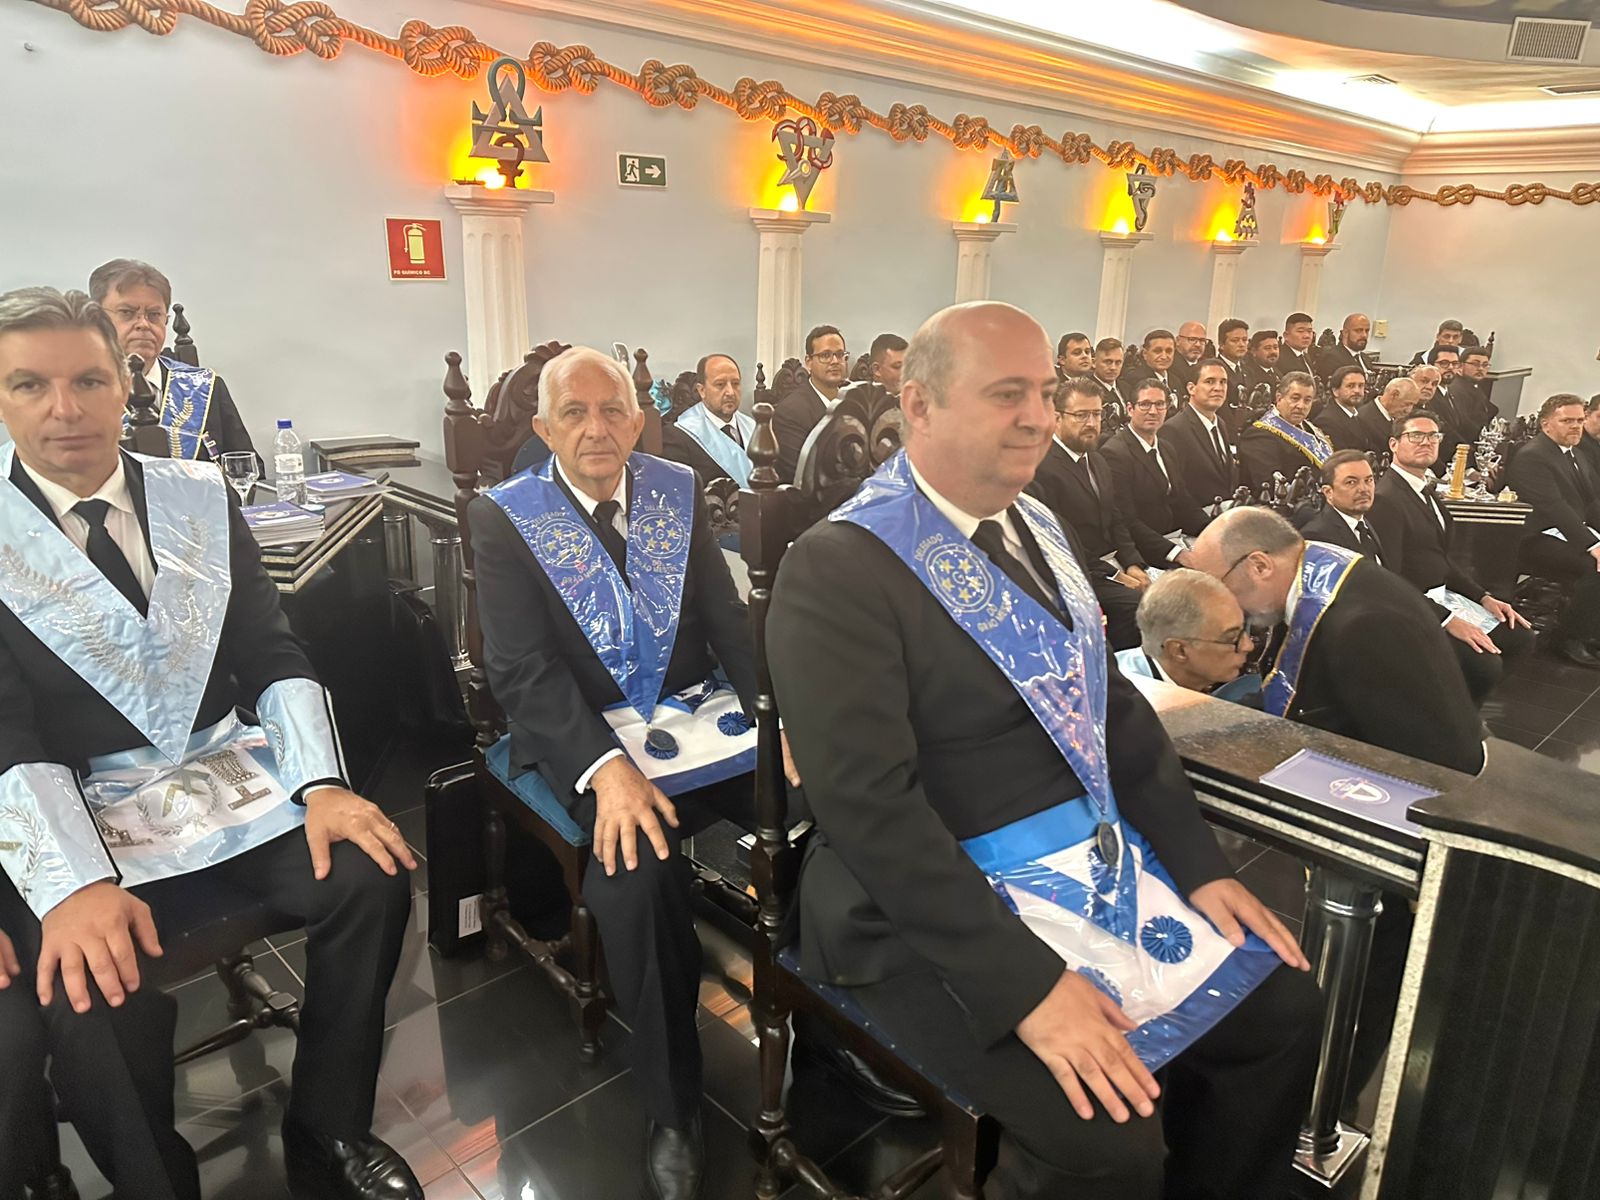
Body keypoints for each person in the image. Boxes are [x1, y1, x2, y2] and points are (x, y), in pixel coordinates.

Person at [768, 300, 1316, 1200]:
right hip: (913, 898)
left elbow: (1112, 707)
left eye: (1047, 393)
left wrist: (1199, 865)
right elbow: (868, 806)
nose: (1039, 417)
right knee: (1107, 1140)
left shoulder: (1041, 525)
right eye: (1006, 394)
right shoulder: (841, 565)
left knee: (1283, 1006)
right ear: (920, 404)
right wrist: (1024, 987)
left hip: (1082, 860)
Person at [0, 288, 418, 1200]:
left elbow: (271, 648)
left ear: (125, 385)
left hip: (225, 775)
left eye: (89, 380)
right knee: (89, 982)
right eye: (29, 384)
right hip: (83, 810)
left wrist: (323, 785)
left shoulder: (196, 494)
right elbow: (6, 728)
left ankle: (329, 1129)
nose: (64, 409)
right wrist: (72, 886)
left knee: (371, 874)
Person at [469, 346, 773, 1200]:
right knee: (639, 876)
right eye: (574, 412)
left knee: (823, 803)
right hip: (583, 732)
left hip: (697, 720)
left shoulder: (677, 489)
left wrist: (781, 722)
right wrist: (603, 769)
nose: (596, 429)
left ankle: (827, 1020)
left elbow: (728, 621)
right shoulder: (505, 516)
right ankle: (673, 1107)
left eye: (613, 411)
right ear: (544, 428)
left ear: (640, 423)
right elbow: (522, 672)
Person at [1191, 506, 1485, 1119]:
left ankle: (1326, 1101)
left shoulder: (1360, 625)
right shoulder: (1325, 570)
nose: (1223, 606)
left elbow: (1421, 758)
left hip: (1400, 835)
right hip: (1380, 790)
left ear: (1259, 564)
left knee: (1370, 976)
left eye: (1219, 584)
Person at [1369, 412, 1534, 703]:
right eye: (1416, 436)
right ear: (1394, 444)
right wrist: (1445, 619)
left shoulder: (1425, 490)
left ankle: (1459, 708)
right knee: (1485, 664)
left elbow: (1442, 559)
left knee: (1518, 634)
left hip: (1443, 594)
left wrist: (1483, 597)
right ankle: (1449, 713)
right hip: (1413, 605)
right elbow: (1390, 577)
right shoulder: (1386, 498)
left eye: (1433, 436)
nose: (1426, 442)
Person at [87, 259, 256, 462]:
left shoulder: (204, 388)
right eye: (127, 313)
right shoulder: (77, 396)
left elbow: (249, 469)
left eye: (154, 315)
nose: (143, 324)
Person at [1026, 377, 1148, 650]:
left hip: (1111, 564)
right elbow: (1058, 540)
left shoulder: (1098, 460)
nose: (1092, 423)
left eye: (1096, 414)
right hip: (1077, 570)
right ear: (1056, 417)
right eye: (1081, 415)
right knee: (1138, 605)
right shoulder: (1041, 468)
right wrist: (1114, 575)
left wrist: (1132, 563)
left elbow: (1116, 518)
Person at [1504, 394, 1600, 667]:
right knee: (1593, 567)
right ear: (1546, 424)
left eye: (1579, 420)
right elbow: (1554, 508)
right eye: (1567, 420)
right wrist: (1593, 545)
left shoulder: (1574, 452)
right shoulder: (1533, 457)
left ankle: (1593, 632)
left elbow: (1591, 502)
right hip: (1534, 537)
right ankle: (1569, 639)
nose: (1576, 426)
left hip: (1565, 530)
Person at [1100, 379, 1209, 569]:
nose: (1153, 411)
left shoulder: (1166, 448)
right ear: (1130, 409)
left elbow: (1183, 502)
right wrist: (1176, 553)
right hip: (1146, 552)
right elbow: (1127, 521)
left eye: (1159, 404)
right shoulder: (1114, 453)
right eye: (1145, 404)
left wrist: (1213, 531)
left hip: (1174, 539)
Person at [1115, 569, 1262, 705]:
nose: (1248, 646)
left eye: (1243, 630)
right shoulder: (1131, 709)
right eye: (1232, 638)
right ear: (1179, 651)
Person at [661, 353, 755, 486]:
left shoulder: (755, 427)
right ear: (702, 390)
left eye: (735, 384)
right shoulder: (678, 436)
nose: (730, 392)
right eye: (720, 384)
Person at [773, 325, 849, 483]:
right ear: (808, 362)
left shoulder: (854, 403)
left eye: (840, 354)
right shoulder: (790, 412)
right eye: (826, 355)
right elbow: (802, 473)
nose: (835, 361)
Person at [1162, 360, 1239, 509]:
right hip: (1196, 518)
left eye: (1223, 382)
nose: (1218, 388)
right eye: (1210, 381)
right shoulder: (1173, 429)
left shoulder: (1220, 424)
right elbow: (1177, 490)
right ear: (1191, 388)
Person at [1236, 373, 1330, 493]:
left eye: (1307, 400)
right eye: (1295, 398)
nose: (1301, 406)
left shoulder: (1311, 428)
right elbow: (1269, 485)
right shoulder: (1258, 435)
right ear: (1279, 398)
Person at [1300, 449, 1389, 565]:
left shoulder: (1365, 524)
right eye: (1351, 482)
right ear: (1328, 492)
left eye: (1368, 480)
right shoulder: (1317, 538)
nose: (1364, 489)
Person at [1318, 365, 1374, 452]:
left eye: (1361, 386)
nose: (1357, 390)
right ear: (1335, 391)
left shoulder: (1362, 415)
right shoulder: (1326, 421)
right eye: (1350, 386)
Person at [1316, 313, 1372, 386]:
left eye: (1367, 331)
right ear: (1345, 332)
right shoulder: (1331, 357)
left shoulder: (1366, 359)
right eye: (1358, 330)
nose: (1364, 335)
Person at [1133, 328, 1183, 409]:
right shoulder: (1136, 380)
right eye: (1157, 351)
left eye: (1169, 351)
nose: (1164, 356)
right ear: (1145, 353)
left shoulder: (1176, 380)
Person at [1214, 319, 1250, 421]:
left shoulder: (1249, 370)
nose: (1241, 344)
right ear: (1221, 344)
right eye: (1235, 340)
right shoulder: (1214, 369)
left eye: (1244, 340)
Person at [1169, 320, 1208, 396]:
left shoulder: (1207, 366)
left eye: (1202, 340)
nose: (1198, 344)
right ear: (1178, 341)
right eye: (1192, 339)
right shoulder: (1170, 365)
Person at [1241, 330, 1280, 404]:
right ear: (1254, 351)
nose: (1273, 352)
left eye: (1275, 347)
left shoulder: (1278, 373)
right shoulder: (1248, 375)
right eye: (1267, 348)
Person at [1089, 337, 1126, 411]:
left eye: (1118, 362)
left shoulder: (1127, 388)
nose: (1113, 367)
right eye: (1108, 362)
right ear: (1094, 363)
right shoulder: (1087, 390)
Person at [1279, 312, 1317, 378]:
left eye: (1309, 331)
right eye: (1300, 331)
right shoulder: (1279, 357)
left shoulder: (1306, 356)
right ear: (1286, 335)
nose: (1307, 336)